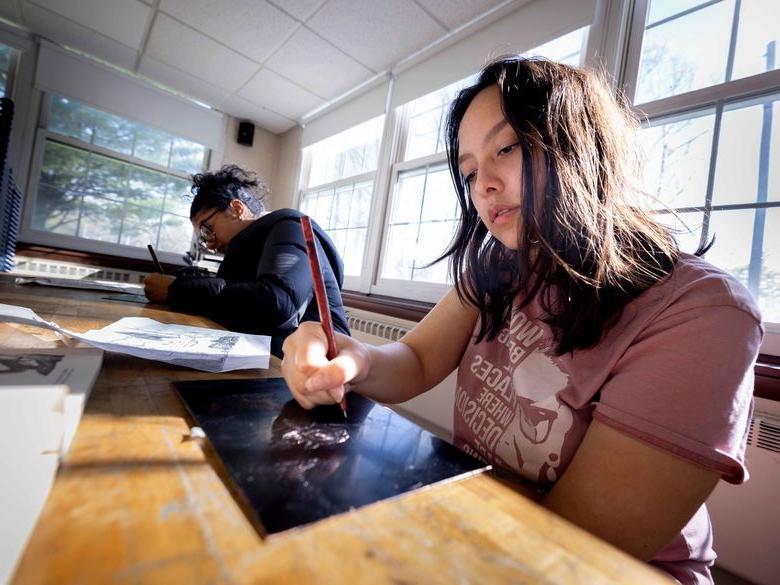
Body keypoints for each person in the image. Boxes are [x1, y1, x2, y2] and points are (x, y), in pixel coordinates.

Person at [280, 58, 763, 584]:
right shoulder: (501, 265)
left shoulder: (702, 313)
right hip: (480, 533)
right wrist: (355, 358)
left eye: (506, 148)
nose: (482, 184)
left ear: (579, 145)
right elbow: (418, 359)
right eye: (468, 170)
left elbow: (567, 551)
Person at [144, 164, 349, 358]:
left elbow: (277, 304)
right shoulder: (250, 248)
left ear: (236, 209)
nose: (209, 245)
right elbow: (236, 295)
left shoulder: (291, 227)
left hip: (322, 369)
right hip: (282, 362)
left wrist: (176, 290)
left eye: (207, 230)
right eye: (202, 239)